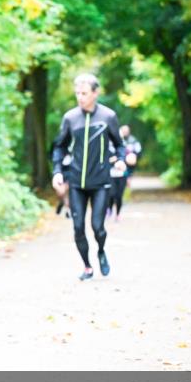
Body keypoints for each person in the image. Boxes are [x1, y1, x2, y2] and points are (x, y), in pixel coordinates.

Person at [51, 74, 126, 281]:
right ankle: (87, 266)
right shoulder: (70, 118)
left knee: (98, 227)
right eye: (77, 93)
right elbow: (59, 147)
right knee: (77, 227)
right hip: (76, 183)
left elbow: (119, 144)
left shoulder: (108, 116)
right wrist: (57, 171)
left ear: (95, 93)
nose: (80, 97)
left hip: (101, 182)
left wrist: (120, 159)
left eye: (84, 93)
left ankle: (101, 250)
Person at [108, 125, 141, 220]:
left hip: (123, 173)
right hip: (110, 173)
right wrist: (114, 160)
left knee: (119, 195)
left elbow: (135, 156)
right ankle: (109, 210)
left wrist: (129, 160)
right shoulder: (109, 144)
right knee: (111, 194)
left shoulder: (131, 142)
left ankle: (118, 214)